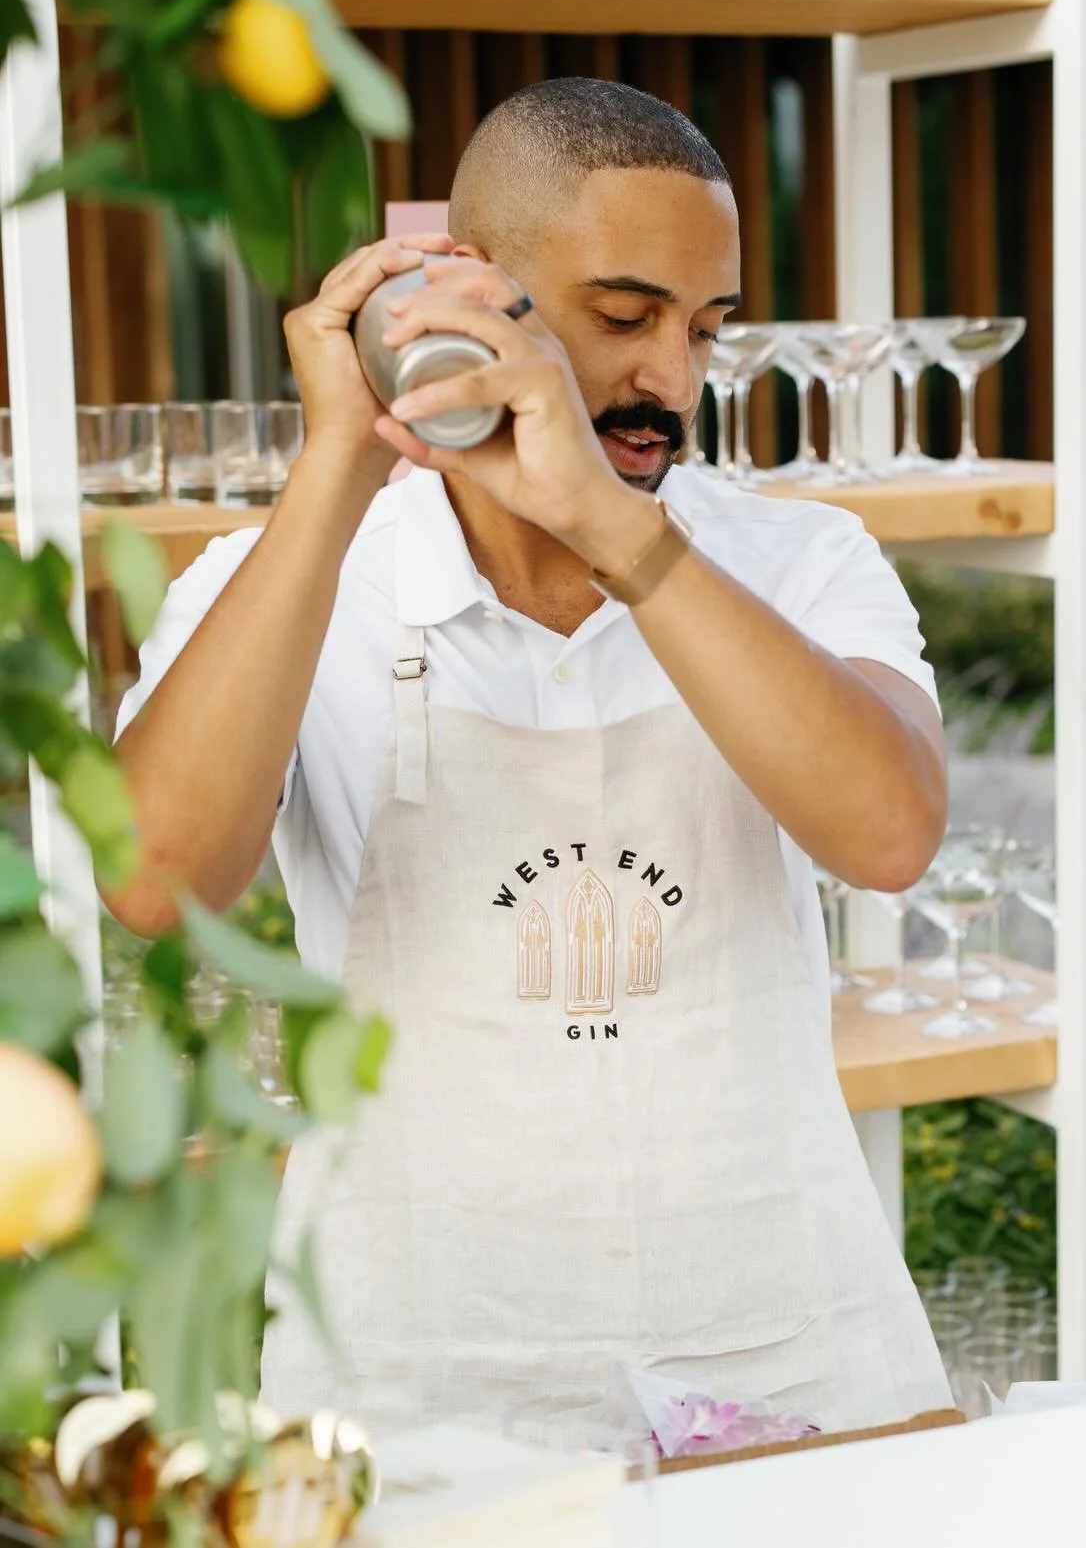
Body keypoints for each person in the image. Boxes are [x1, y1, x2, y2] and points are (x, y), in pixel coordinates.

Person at [112, 78, 952, 1446]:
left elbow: (890, 835)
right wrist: (339, 460)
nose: (671, 380)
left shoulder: (802, 562)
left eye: (705, 329)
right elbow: (153, 885)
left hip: (785, 1349)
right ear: (459, 295)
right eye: (623, 319)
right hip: (418, 1372)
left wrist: (618, 534)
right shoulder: (276, 584)